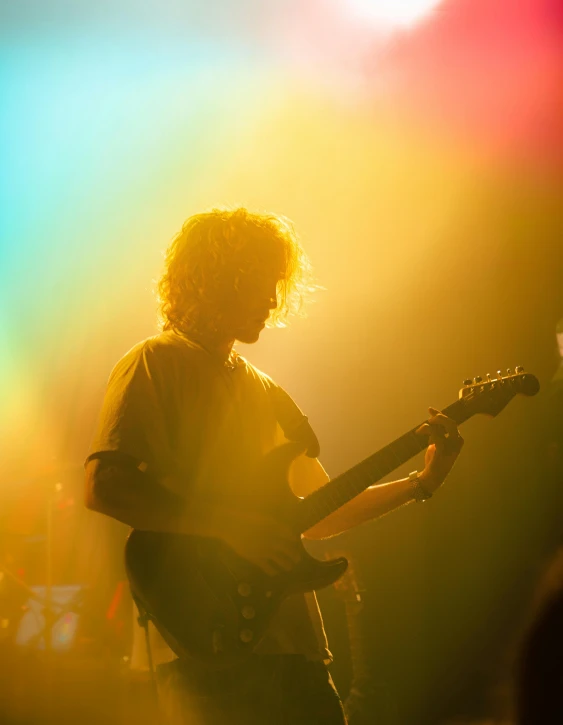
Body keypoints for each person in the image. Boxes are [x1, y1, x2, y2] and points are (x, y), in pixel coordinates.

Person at [84, 207, 463, 724]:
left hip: (293, 648)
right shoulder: (154, 362)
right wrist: (232, 529)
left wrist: (422, 482)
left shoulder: (269, 393)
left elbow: (324, 510)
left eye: (274, 284)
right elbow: (105, 485)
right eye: (256, 282)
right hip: (198, 641)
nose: (270, 299)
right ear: (211, 280)